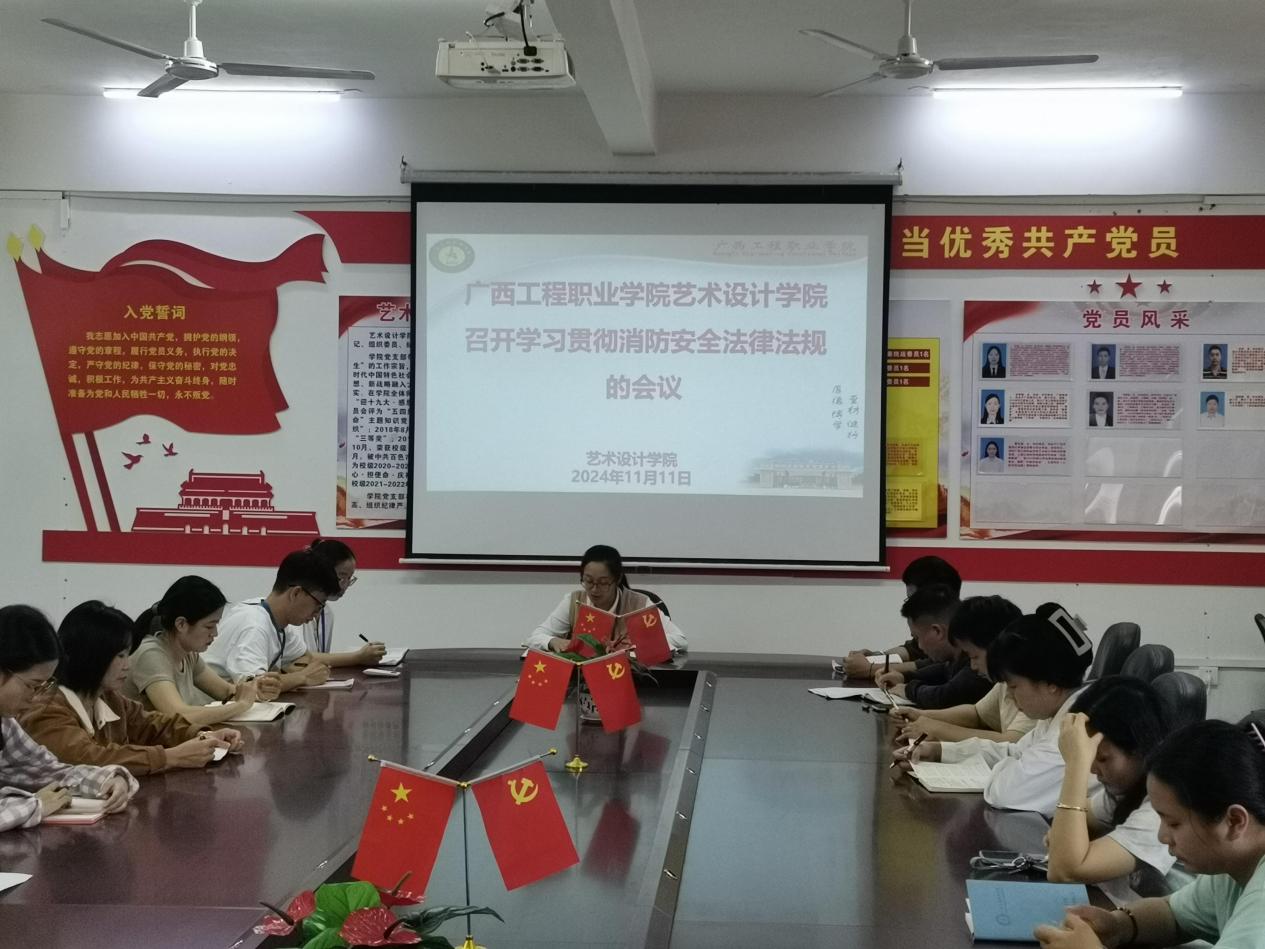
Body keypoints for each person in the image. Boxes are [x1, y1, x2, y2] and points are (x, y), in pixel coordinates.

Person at [1034, 719, 1265, 949]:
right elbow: (1173, 915)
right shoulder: (1232, 869)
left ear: (1234, 821)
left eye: (1174, 823)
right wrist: (1119, 925)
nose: (1162, 836)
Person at [906, 603, 1095, 817]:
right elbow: (1012, 752)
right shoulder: (1056, 715)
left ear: (1050, 682)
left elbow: (1006, 793)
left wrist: (1007, 767)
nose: (1011, 698)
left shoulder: (1070, 734)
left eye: (1013, 687)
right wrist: (939, 751)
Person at [21, 601, 242, 775]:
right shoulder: (47, 708)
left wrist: (205, 735)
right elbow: (89, 758)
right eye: (120, 656)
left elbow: (153, 725)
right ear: (91, 656)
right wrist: (170, 757)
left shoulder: (109, 698)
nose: (127, 665)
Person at [0, 604, 138, 832]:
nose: (35, 698)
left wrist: (109, 778)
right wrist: (34, 805)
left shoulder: (5, 724)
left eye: (44, 686)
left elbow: (49, 770)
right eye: (32, 685)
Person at [1045, 675, 1176, 886]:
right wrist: (1064, 835)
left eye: (1103, 758)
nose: (1092, 769)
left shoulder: (1162, 810)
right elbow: (1082, 816)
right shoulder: (1131, 788)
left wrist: (1076, 765)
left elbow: (1064, 871)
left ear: (1142, 748)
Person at [889, 595, 1033, 749]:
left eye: (974, 656)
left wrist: (938, 729)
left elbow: (1012, 742)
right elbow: (977, 714)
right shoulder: (1004, 681)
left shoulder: (1032, 680)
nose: (973, 666)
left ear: (997, 649)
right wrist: (920, 715)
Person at [128, 576, 271, 726]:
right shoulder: (150, 655)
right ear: (181, 624)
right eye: (209, 626)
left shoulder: (188, 654)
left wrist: (257, 691)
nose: (215, 633)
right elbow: (178, 716)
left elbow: (227, 692)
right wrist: (241, 705)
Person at [204, 549, 341, 692]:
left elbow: (305, 659)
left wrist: (291, 674)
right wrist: (303, 677)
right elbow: (254, 688)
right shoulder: (254, 625)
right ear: (296, 593)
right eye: (318, 605)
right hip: (210, 703)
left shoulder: (278, 620)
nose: (317, 614)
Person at [526, 544, 687, 653]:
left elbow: (680, 640)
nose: (594, 589)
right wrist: (553, 641)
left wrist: (638, 643)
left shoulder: (639, 604)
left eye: (603, 583)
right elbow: (535, 637)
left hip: (632, 680)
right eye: (588, 581)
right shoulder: (574, 601)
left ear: (617, 579)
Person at [841, 555, 963, 678]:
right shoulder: (933, 626)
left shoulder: (964, 634)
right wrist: (876, 656)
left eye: (912, 599)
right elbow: (912, 650)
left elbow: (933, 666)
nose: (909, 605)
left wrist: (870, 669)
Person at [874, 584, 990, 709]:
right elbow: (943, 670)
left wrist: (908, 690)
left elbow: (945, 697)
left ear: (937, 631)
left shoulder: (979, 656)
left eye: (917, 638)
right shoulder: (956, 657)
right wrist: (904, 677)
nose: (919, 646)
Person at [297, 539, 386, 667]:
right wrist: (358, 657)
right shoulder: (296, 610)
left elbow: (321, 659)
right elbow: (299, 658)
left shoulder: (327, 613)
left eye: (349, 578)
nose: (345, 585)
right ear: (321, 571)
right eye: (341, 577)